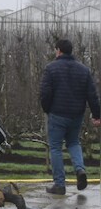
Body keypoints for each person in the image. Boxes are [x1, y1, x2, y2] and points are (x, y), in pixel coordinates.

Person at [39, 38, 101, 195]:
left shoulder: (51, 68)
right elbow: (92, 95)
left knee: (55, 147)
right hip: (76, 115)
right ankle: (80, 170)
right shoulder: (83, 70)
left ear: (58, 50)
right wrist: (96, 115)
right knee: (74, 143)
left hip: (57, 114)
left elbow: (45, 93)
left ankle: (59, 185)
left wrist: (47, 109)